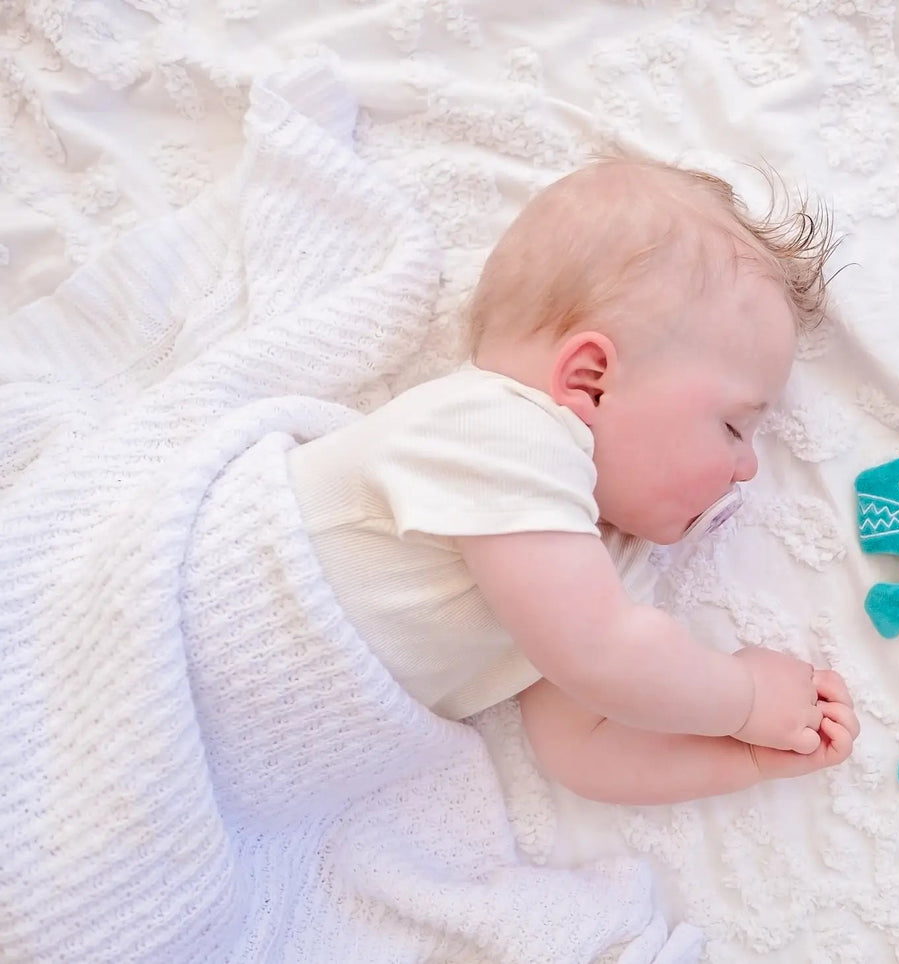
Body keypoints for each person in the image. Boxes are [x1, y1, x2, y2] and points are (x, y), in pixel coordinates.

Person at [286, 153, 858, 804]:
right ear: (591, 380)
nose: (747, 467)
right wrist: (744, 697)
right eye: (732, 427)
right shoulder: (498, 429)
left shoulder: (595, 566)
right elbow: (601, 658)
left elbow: (585, 751)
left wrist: (747, 759)